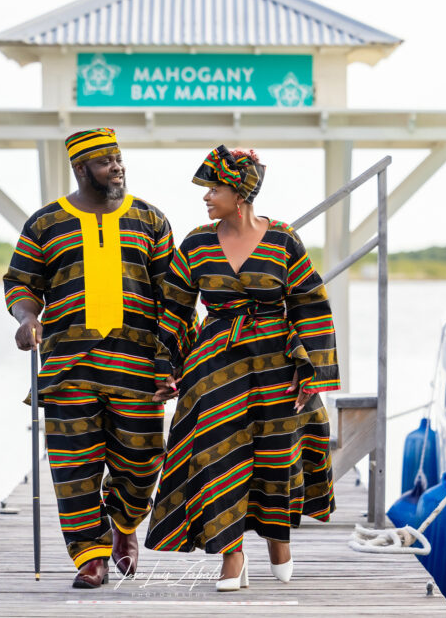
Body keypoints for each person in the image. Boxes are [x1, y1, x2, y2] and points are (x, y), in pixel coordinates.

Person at [144, 145, 338, 591]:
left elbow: (310, 304)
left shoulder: (284, 238)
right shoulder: (195, 242)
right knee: (215, 452)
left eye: (214, 187)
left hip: (277, 360)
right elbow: (174, 309)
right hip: (216, 359)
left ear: (242, 192)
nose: (206, 196)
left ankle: (278, 539)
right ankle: (231, 557)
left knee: (276, 450)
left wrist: (313, 370)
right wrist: (166, 367)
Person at [3, 128, 174, 588]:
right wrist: (26, 319)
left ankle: (123, 527)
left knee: (142, 464)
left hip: (138, 369)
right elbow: (20, 283)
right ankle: (90, 555)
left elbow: (173, 297)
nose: (117, 167)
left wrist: (170, 363)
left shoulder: (149, 219)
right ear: (80, 169)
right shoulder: (44, 223)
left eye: (119, 159)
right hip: (67, 368)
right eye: (105, 162)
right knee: (73, 464)